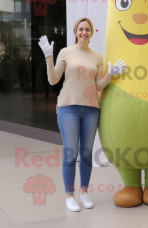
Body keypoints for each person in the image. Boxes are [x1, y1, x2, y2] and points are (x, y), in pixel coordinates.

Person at [38, 17, 126, 212]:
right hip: (68, 107)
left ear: (91, 32)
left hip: (91, 109)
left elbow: (98, 85)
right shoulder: (66, 52)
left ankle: (84, 192)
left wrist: (110, 73)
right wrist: (48, 56)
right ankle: (69, 196)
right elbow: (53, 80)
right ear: (75, 32)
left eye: (87, 29)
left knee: (86, 154)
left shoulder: (97, 57)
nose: (84, 32)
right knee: (71, 154)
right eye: (80, 29)